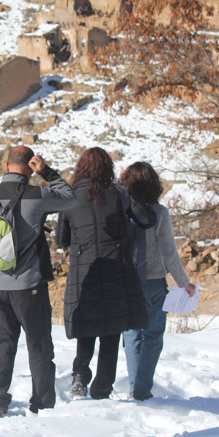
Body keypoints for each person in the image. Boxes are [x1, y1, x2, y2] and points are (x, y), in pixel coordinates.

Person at [0, 145, 77, 417]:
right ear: (30, 167)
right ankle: (41, 403)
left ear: (6, 166)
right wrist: (47, 172)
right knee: (39, 345)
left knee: (1, 345)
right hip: (29, 286)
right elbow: (70, 198)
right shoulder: (37, 195)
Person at [56, 147, 156, 400]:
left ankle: (79, 377)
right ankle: (102, 388)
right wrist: (127, 189)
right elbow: (147, 219)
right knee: (111, 331)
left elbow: (61, 239)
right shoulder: (119, 193)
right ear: (108, 167)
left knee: (86, 326)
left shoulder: (69, 197)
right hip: (117, 269)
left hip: (85, 270)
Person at [119, 162, 195, 401]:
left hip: (127, 280)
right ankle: (142, 389)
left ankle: (135, 386)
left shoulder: (121, 209)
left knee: (131, 334)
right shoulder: (160, 212)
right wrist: (185, 283)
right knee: (152, 335)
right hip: (153, 281)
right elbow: (169, 251)